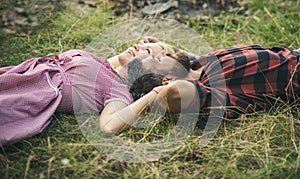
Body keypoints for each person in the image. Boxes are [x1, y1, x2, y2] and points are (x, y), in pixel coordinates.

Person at [0, 37, 173, 146]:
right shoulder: (106, 66)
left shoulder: (118, 91)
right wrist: (154, 47)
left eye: (147, 50)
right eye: (143, 45)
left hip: (32, 92)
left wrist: (156, 93)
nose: (138, 45)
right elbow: (120, 64)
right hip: (20, 75)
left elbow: (109, 126)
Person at [127, 43, 300, 119]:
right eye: (157, 59)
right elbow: (171, 93)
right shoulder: (209, 90)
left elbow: (176, 53)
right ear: (168, 80)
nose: (163, 53)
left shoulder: (200, 64)